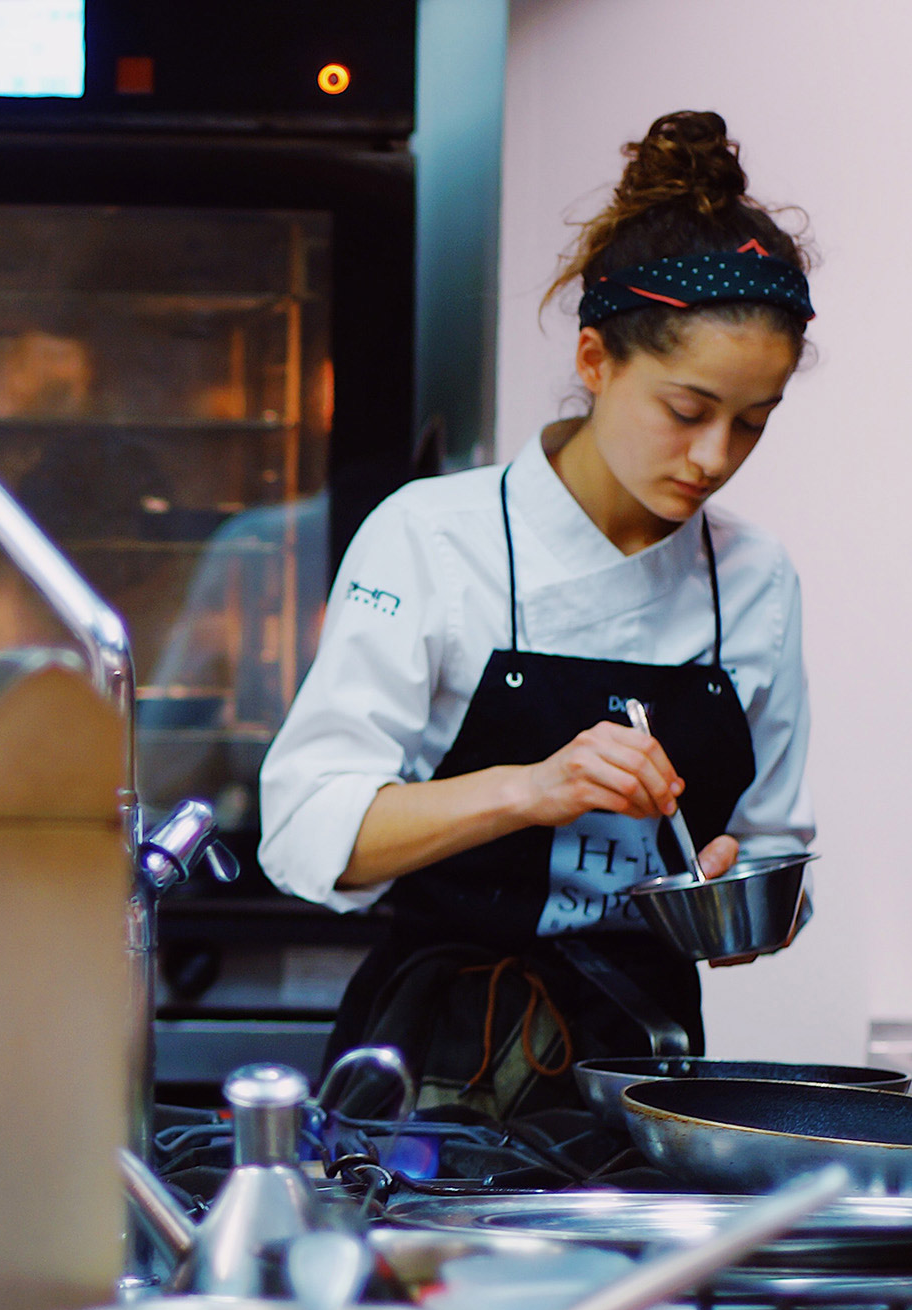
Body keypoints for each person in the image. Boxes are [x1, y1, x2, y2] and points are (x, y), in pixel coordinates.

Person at [259, 111, 817, 1119]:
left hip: (645, 1080)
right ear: (596, 360)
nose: (714, 456)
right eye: (686, 411)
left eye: (753, 421)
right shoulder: (434, 539)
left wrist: (740, 901)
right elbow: (304, 831)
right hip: (426, 1074)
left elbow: (773, 853)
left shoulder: (756, 579)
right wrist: (528, 788)